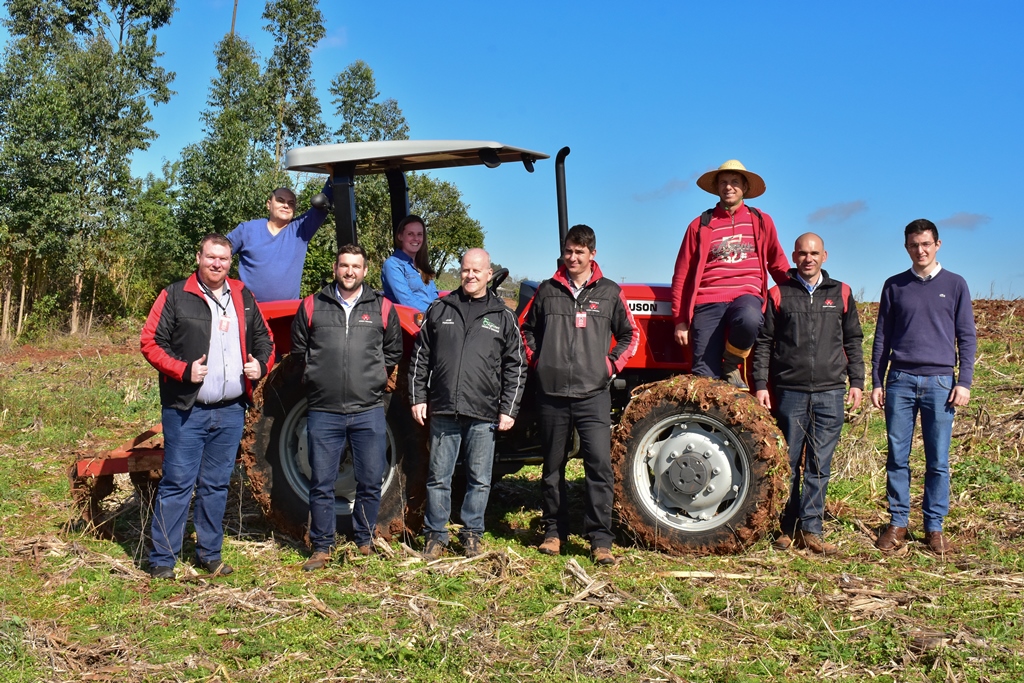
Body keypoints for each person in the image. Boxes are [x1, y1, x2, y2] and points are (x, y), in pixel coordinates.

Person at [140, 234, 275, 579]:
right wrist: (183, 370)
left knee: (216, 485)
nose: (217, 264)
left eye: (224, 259)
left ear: (231, 262)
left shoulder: (243, 295)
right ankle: (162, 560)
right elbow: (150, 342)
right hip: (187, 408)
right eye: (211, 257)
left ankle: (209, 554)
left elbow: (266, 339)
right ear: (198, 257)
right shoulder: (175, 295)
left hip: (230, 410)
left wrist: (261, 364)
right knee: (178, 483)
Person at [520, 225, 640, 565]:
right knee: (552, 467)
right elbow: (525, 330)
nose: (573, 257)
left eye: (580, 252)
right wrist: (539, 362)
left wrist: (609, 366)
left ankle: (600, 538)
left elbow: (631, 335)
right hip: (552, 392)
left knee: (598, 466)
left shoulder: (610, 292)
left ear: (592, 255)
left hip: (593, 394)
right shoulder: (547, 291)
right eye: (569, 251)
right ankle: (553, 533)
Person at [410, 248, 527, 560]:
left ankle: (472, 533)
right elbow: (421, 356)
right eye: (465, 270)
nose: (471, 275)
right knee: (439, 477)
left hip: (483, 411)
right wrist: (418, 397)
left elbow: (516, 365)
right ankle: (435, 534)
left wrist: (508, 408)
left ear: (490, 274)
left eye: (477, 271)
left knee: (479, 479)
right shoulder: (440, 308)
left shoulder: (503, 316)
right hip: (444, 408)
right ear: (459, 272)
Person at [291, 244, 402, 570]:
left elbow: (392, 352)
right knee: (321, 482)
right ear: (335, 268)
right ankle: (322, 547)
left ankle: (364, 540)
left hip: (367, 409)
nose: (349, 271)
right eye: (344, 265)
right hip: (324, 410)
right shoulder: (313, 305)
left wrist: (372, 378)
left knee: (369, 480)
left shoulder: (381, 308)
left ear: (365, 271)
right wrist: (316, 374)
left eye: (356, 266)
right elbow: (299, 351)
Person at [753, 233, 864, 555]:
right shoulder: (778, 294)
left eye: (814, 253)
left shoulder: (841, 293)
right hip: (790, 391)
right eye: (802, 253)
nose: (808, 259)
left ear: (824, 256)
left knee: (819, 464)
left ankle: (811, 529)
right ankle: (785, 528)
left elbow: (853, 340)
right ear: (794, 256)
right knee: (786, 463)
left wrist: (856, 381)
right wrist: (761, 384)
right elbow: (763, 344)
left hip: (830, 391)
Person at [871, 219, 976, 556]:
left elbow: (967, 337)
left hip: (941, 383)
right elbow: (882, 338)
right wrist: (877, 380)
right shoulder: (894, 286)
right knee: (897, 457)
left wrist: (964, 381)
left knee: (938, 460)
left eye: (926, 244)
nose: (921, 250)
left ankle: (934, 527)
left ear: (938, 245)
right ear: (907, 247)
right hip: (900, 380)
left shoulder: (956, 284)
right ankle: (898, 523)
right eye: (914, 245)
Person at [670, 160, 789, 388]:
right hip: (707, 301)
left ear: (744, 186)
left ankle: (732, 363)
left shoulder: (761, 221)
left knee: (750, 319)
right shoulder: (700, 225)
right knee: (704, 379)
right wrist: (680, 321)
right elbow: (681, 275)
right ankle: (708, 422)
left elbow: (777, 263)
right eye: (723, 182)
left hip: (746, 295)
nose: (729, 187)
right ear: (716, 188)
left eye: (735, 182)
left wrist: (796, 291)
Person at [227, 183, 332, 302]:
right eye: (280, 201)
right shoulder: (247, 230)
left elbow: (324, 203)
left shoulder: (301, 230)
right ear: (269, 204)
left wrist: (332, 176)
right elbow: (218, 253)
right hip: (250, 311)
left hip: (287, 312)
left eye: (291, 203)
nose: (286, 205)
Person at [381, 214, 440, 311]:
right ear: (400, 236)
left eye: (419, 234)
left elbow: (434, 296)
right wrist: (436, 314)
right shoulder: (393, 265)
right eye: (410, 234)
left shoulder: (422, 265)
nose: (416, 238)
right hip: (412, 322)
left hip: (432, 319)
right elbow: (406, 300)